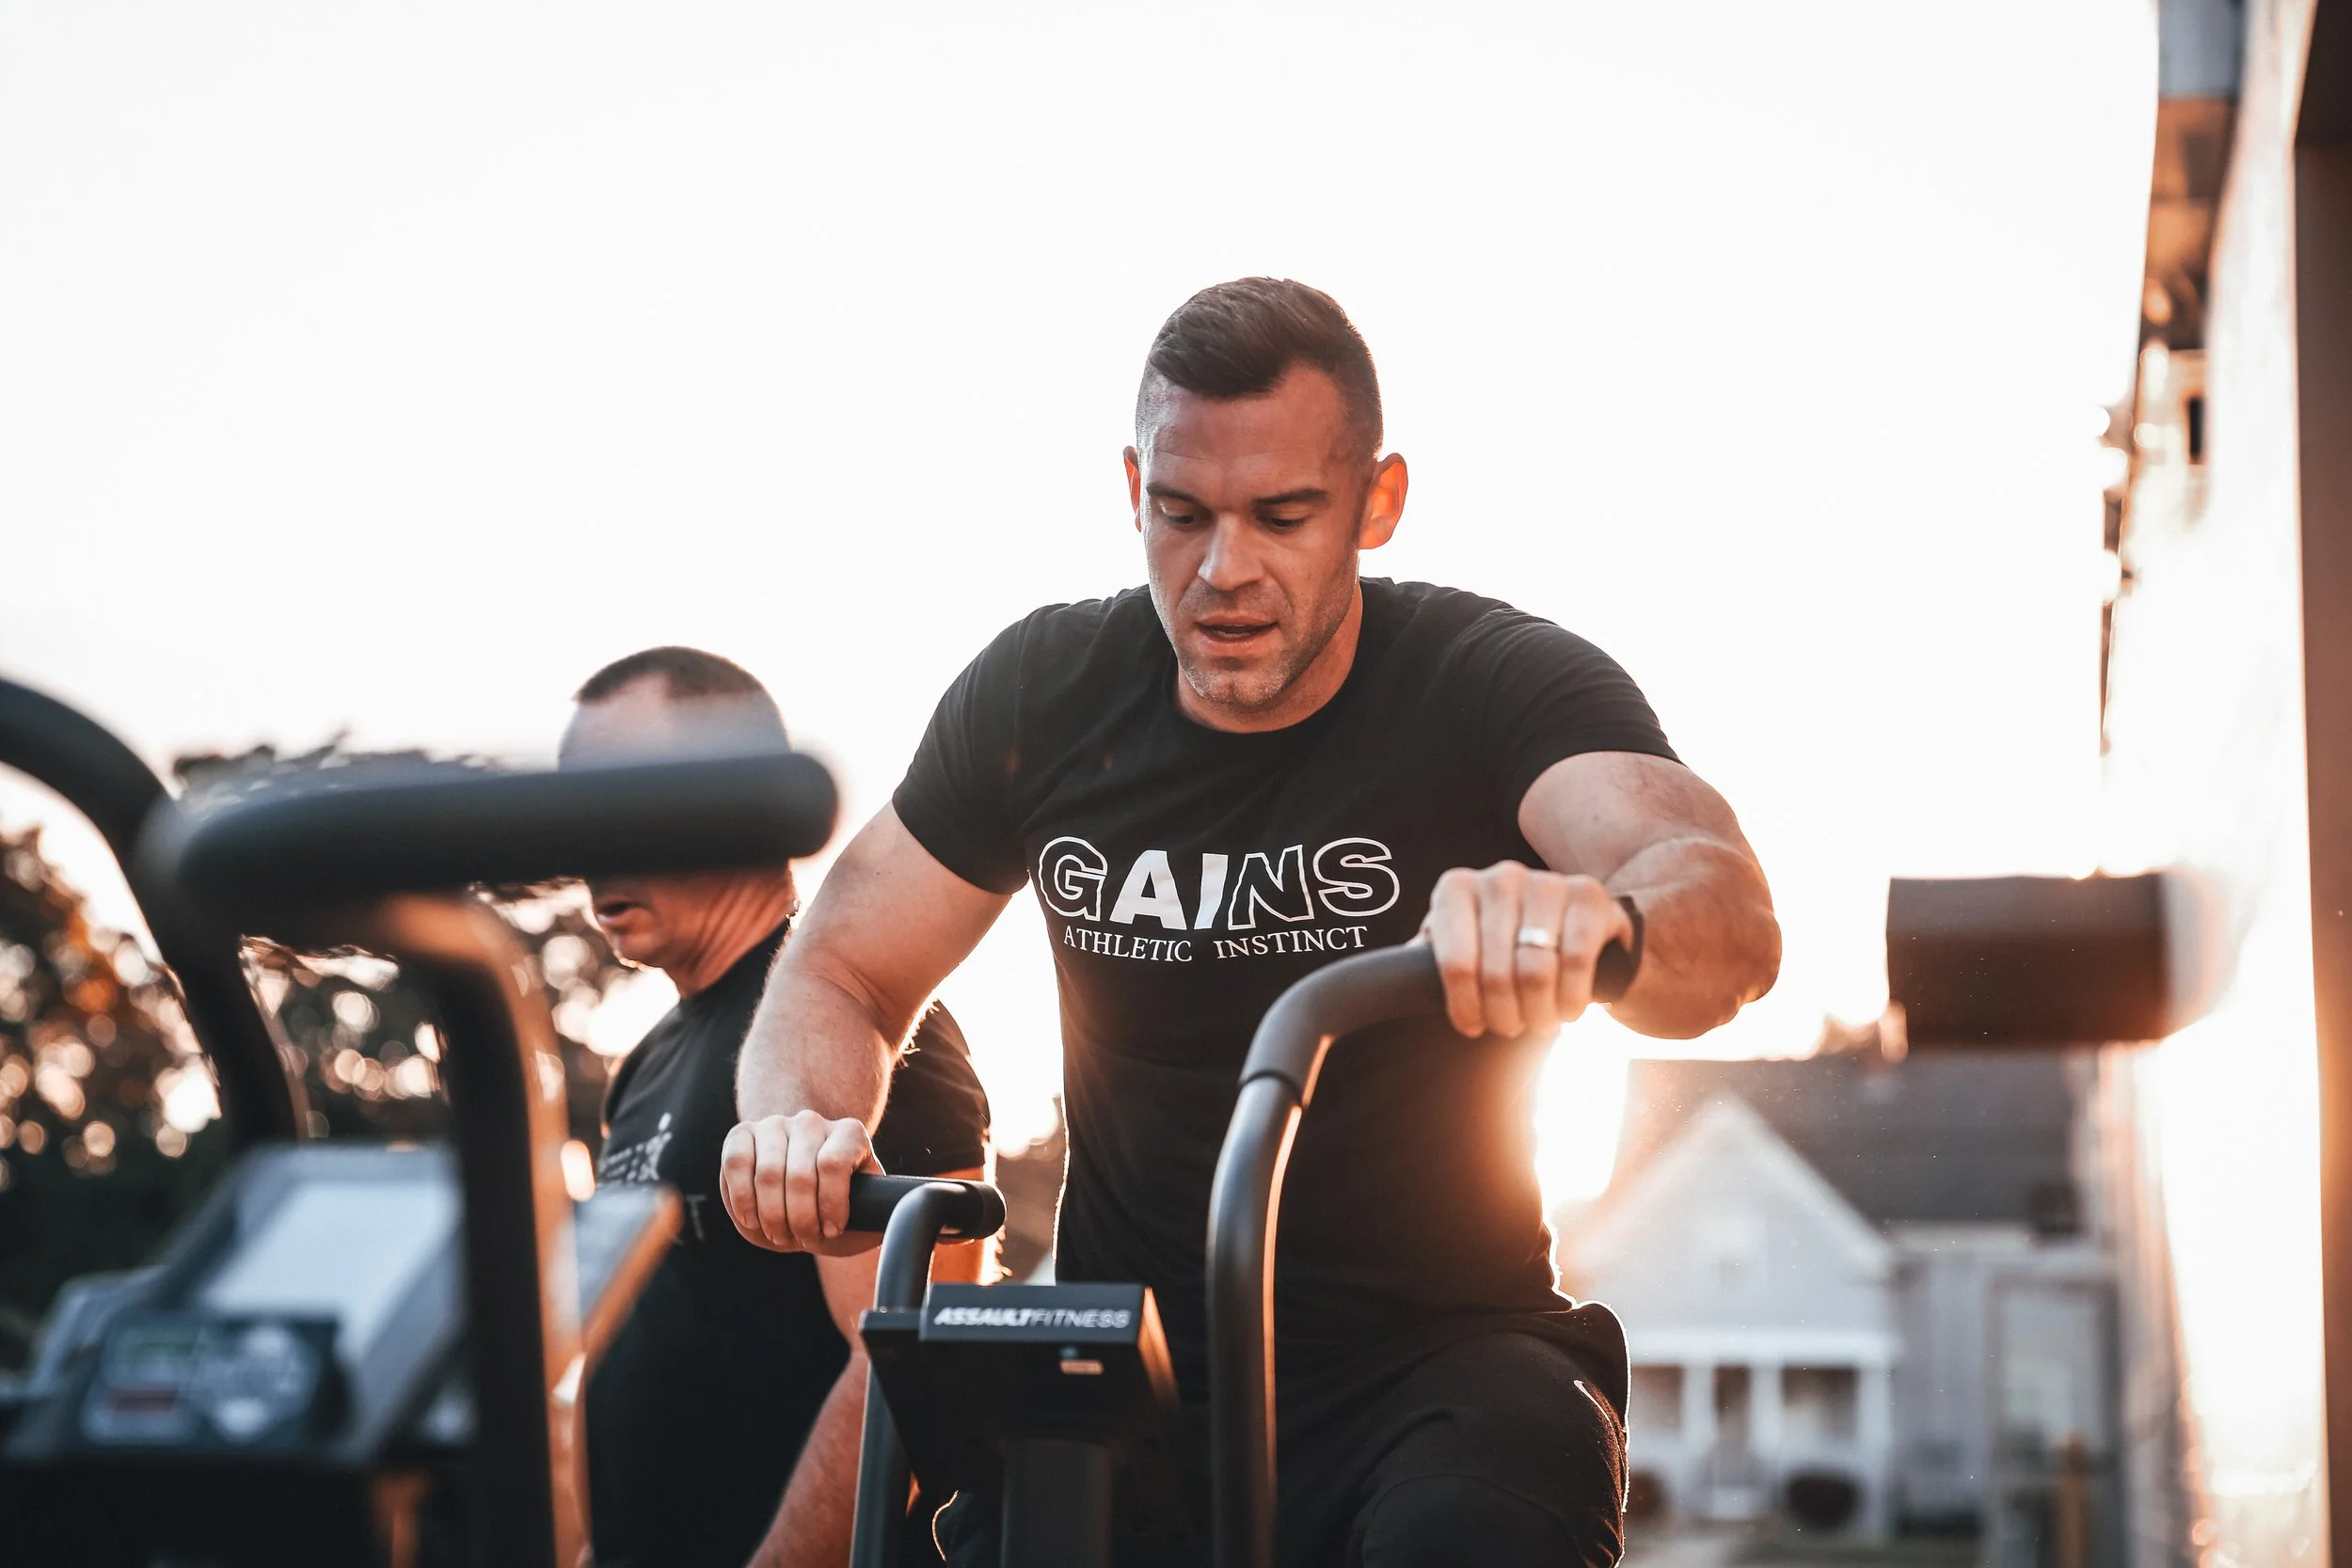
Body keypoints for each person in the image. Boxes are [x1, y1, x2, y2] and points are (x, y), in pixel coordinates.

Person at [720, 280, 1781, 1565]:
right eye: (1182, 513)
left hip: (1438, 1365)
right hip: (1135, 1365)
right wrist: (797, 1120)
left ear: (1376, 503)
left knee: (1483, 1510)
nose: (1224, 569)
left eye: (1283, 515)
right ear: (1134, 487)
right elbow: (841, 965)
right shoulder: (1043, 695)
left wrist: (1597, 921)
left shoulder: (1491, 682)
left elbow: (1719, 910)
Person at [565, 646, 993, 1568]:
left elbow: (918, 1362)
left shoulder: (849, 1041)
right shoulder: (648, 1060)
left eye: (622, 793)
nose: (584, 837)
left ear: (750, 796)